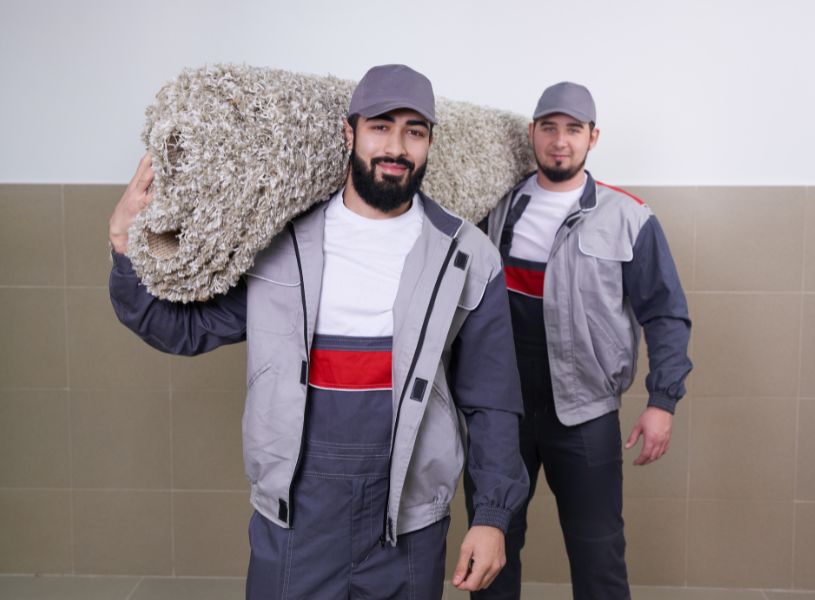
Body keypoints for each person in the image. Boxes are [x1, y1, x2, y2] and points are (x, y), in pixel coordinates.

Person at [108, 64, 528, 599]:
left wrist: (491, 516)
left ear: (429, 143)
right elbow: (181, 330)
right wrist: (123, 244)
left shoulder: (466, 256)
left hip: (409, 520)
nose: (396, 147)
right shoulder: (278, 248)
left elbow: (491, 398)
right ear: (348, 133)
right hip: (296, 520)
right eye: (380, 127)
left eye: (414, 132)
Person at [465, 82, 692, 599]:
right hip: (503, 415)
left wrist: (662, 401)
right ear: (532, 133)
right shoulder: (496, 207)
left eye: (573, 129)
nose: (560, 141)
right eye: (549, 128)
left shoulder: (628, 217)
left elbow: (666, 313)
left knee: (599, 555)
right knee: (493, 551)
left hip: (585, 412)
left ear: (593, 137)